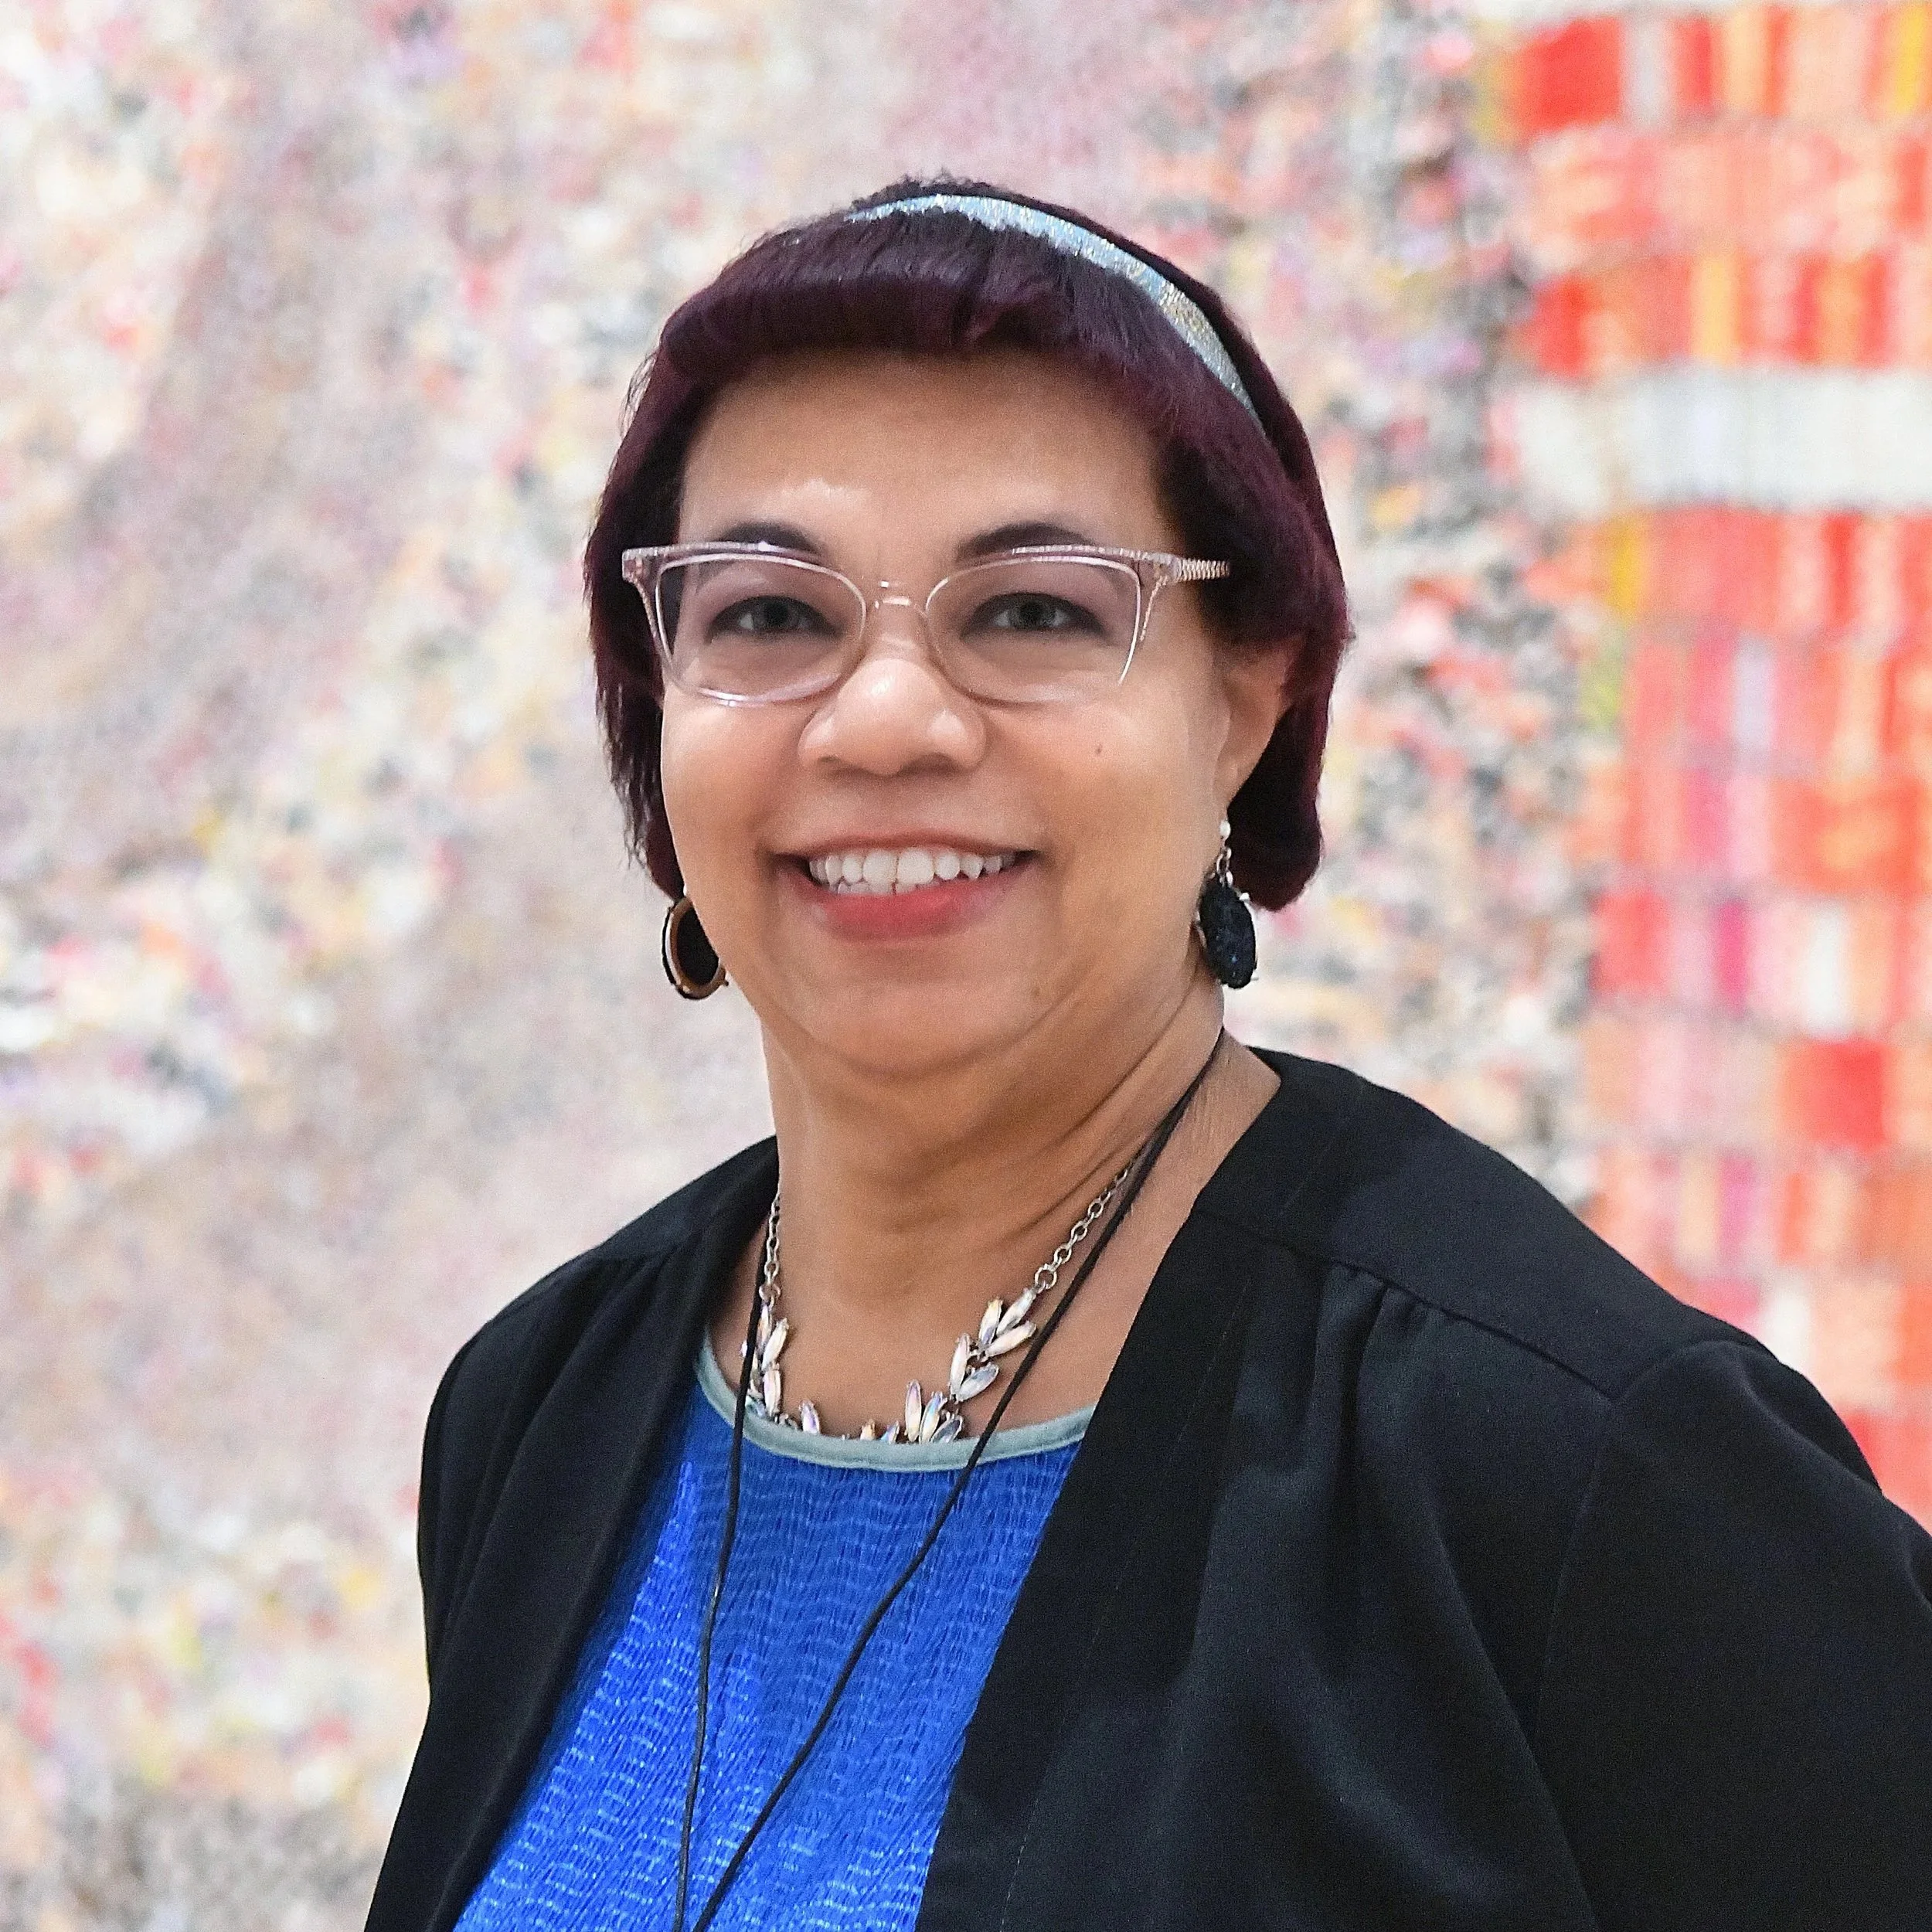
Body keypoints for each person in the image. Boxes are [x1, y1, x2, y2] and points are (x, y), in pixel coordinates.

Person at [365, 182, 1932, 1932]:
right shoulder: (544, 1407)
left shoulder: (1563, 1463)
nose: (884, 718)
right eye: (767, 614)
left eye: (1032, 610)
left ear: (1245, 694)